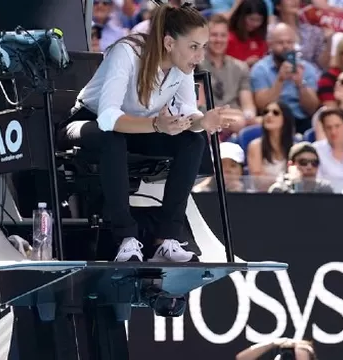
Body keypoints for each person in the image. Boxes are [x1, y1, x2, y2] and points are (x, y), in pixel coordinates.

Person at [58, 3, 233, 263]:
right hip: (85, 123)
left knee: (192, 141)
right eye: (194, 47)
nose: (200, 56)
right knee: (111, 138)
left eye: (203, 47)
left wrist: (202, 121)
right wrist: (156, 126)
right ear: (170, 43)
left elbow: (186, 111)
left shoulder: (182, 67)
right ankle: (126, 238)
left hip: (140, 127)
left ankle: (167, 238)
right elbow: (107, 117)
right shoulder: (126, 52)